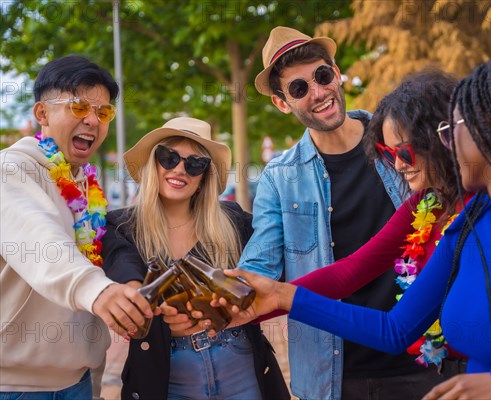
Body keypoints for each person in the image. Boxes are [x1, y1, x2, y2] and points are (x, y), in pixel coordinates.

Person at [224, 53, 491, 399]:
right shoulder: (465, 225)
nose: (396, 165)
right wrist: (274, 297)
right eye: (387, 154)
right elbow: (391, 323)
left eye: (456, 124)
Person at [243, 25, 448, 400]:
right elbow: (269, 266)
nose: (319, 92)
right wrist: (234, 301)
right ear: (281, 103)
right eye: (299, 88)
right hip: (334, 374)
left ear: (336, 72)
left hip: (424, 361)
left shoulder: (395, 141)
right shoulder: (280, 177)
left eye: (322, 76)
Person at [101, 117, 289, 400]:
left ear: (204, 177)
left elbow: (277, 256)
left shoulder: (233, 220)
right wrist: (135, 296)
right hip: (167, 374)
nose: (180, 169)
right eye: (169, 157)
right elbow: (122, 262)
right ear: (154, 163)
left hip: (240, 362)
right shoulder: (121, 225)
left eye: (195, 163)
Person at [0, 55, 152, 397]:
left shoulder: (87, 186)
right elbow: (41, 240)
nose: (92, 121)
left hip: (79, 380)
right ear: (42, 114)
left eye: (103, 113)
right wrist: (98, 291)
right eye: (79, 107)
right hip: (12, 386)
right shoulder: (10, 169)